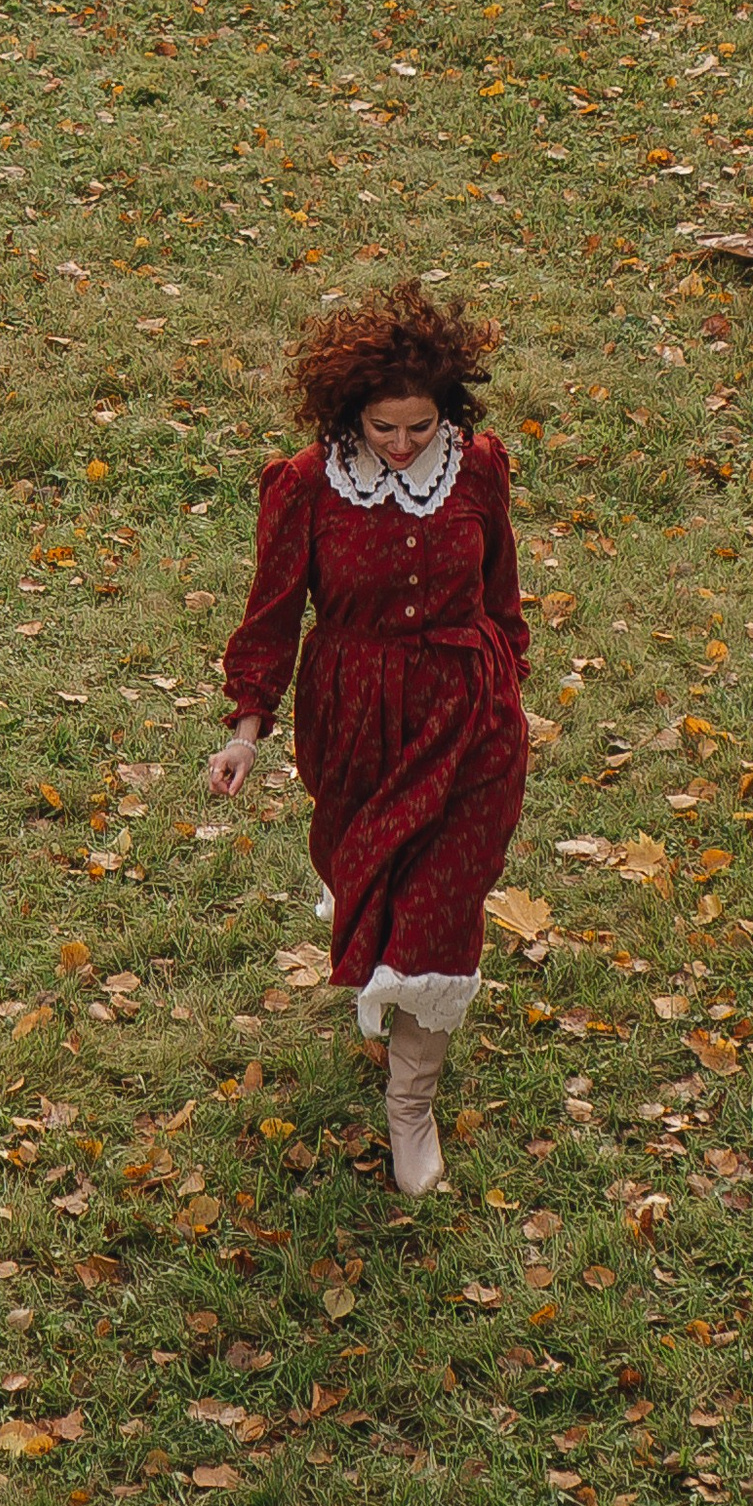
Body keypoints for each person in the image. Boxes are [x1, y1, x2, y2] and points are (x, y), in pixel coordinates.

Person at [204, 281, 530, 1197]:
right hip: (355, 724)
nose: (400, 446)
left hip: (470, 720)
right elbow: (270, 618)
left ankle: (409, 1104)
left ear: (447, 412)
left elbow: (502, 594)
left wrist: (509, 681)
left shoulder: (479, 468)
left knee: (442, 906)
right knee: (377, 887)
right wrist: (245, 730)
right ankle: (389, 1010)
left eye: (419, 427)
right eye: (383, 428)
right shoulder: (306, 485)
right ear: (351, 415)